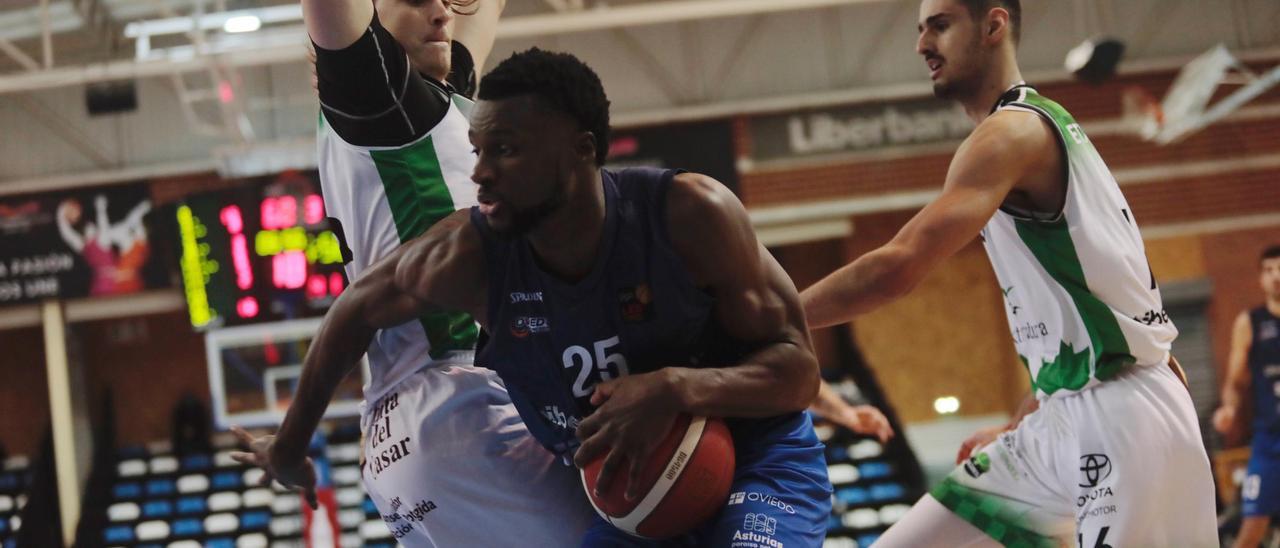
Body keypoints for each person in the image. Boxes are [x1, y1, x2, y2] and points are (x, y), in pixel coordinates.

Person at [241, 47, 833, 546]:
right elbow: (355, 310)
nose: (479, 173)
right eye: (476, 151)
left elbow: (797, 372)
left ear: (581, 150)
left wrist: (675, 387)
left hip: (755, 455)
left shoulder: (689, 215)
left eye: (505, 150)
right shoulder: (469, 255)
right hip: (622, 493)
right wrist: (289, 446)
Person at [800, 0, 1217, 546]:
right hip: (1054, 420)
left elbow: (897, 266)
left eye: (941, 26)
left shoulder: (1011, 134)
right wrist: (1021, 419)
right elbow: (1075, 324)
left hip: (1124, 419)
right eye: (921, 29)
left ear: (994, 25)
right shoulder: (1015, 134)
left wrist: (767, 317)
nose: (923, 44)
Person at [230, 1, 594, 546]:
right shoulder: (377, 96)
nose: (442, 15)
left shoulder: (444, 98)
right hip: (461, 406)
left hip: (414, 435)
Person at [1214, 244, 1280, 548]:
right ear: (1260, 279)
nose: (1276, 276)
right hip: (1269, 441)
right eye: (1268, 270)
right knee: (1250, 531)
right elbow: (1235, 382)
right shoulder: (1249, 323)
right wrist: (1228, 408)